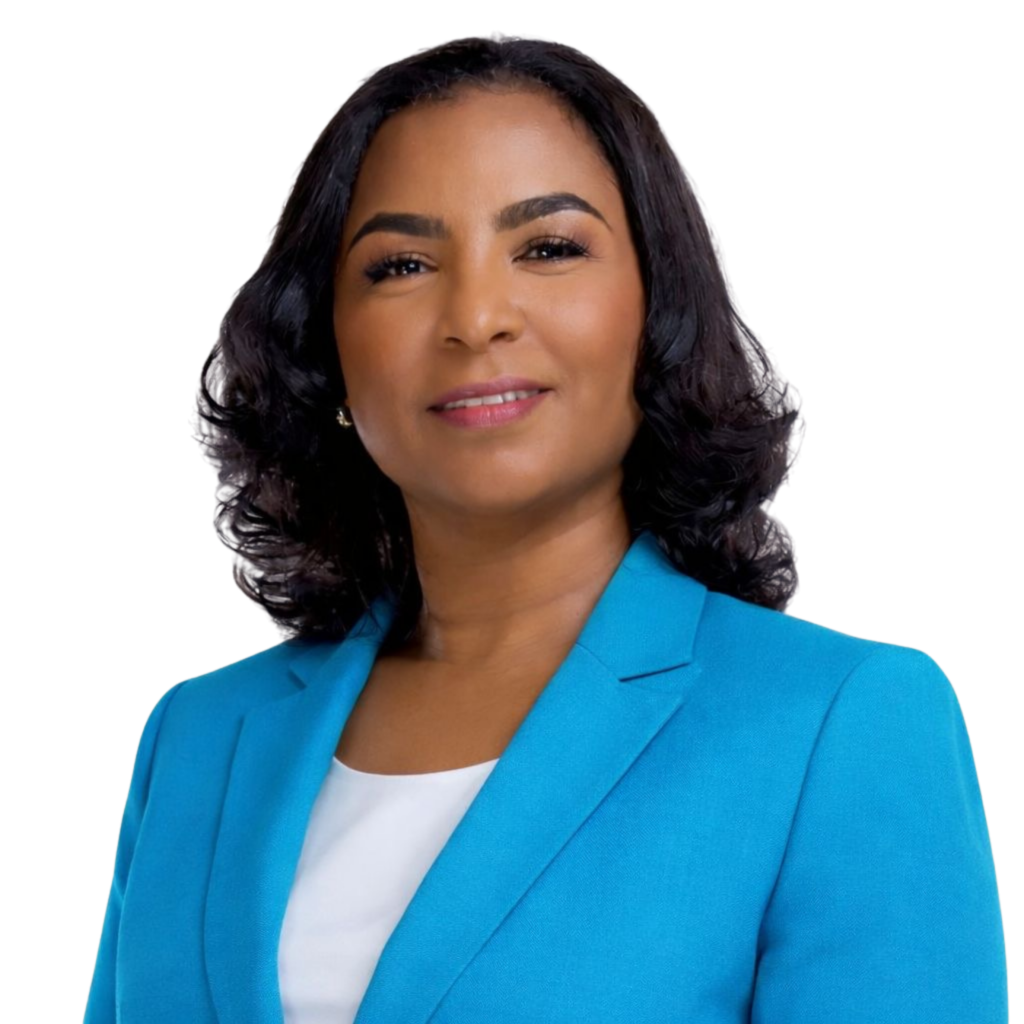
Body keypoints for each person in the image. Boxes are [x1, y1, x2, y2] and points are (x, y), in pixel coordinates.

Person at [83, 32, 1009, 1024]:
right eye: (401, 264)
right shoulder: (196, 735)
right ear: (327, 347)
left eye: (548, 248)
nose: (476, 316)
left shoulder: (842, 720)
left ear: (655, 312)